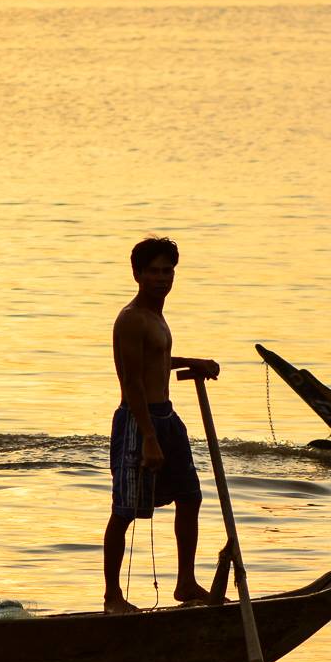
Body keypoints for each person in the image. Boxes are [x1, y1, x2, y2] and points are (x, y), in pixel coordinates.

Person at [103, 237, 219, 614]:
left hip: (167, 417)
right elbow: (132, 381)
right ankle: (113, 598)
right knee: (124, 511)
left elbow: (156, 359)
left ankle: (185, 582)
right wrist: (149, 438)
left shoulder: (156, 315)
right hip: (139, 421)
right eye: (153, 271)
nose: (161, 277)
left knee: (190, 497)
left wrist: (193, 361)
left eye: (167, 271)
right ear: (137, 274)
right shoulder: (131, 318)